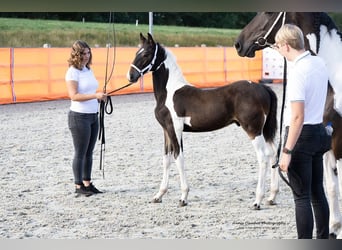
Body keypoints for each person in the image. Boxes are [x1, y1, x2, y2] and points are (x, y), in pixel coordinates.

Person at [275, 24, 330, 239]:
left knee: (301, 197)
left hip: (302, 137)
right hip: (318, 132)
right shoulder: (319, 62)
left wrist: (287, 151)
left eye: (279, 47)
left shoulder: (298, 71)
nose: (279, 51)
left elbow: (297, 117)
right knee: (318, 192)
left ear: (287, 46)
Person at [65, 40, 107, 197]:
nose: (86, 56)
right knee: (80, 152)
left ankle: (87, 183)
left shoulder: (88, 70)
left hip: (93, 116)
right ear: (76, 55)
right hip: (79, 117)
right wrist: (95, 96)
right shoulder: (72, 72)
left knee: (89, 152)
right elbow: (74, 95)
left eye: (88, 53)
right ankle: (78, 185)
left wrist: (99, 98)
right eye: (83, 53)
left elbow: (90, 92)